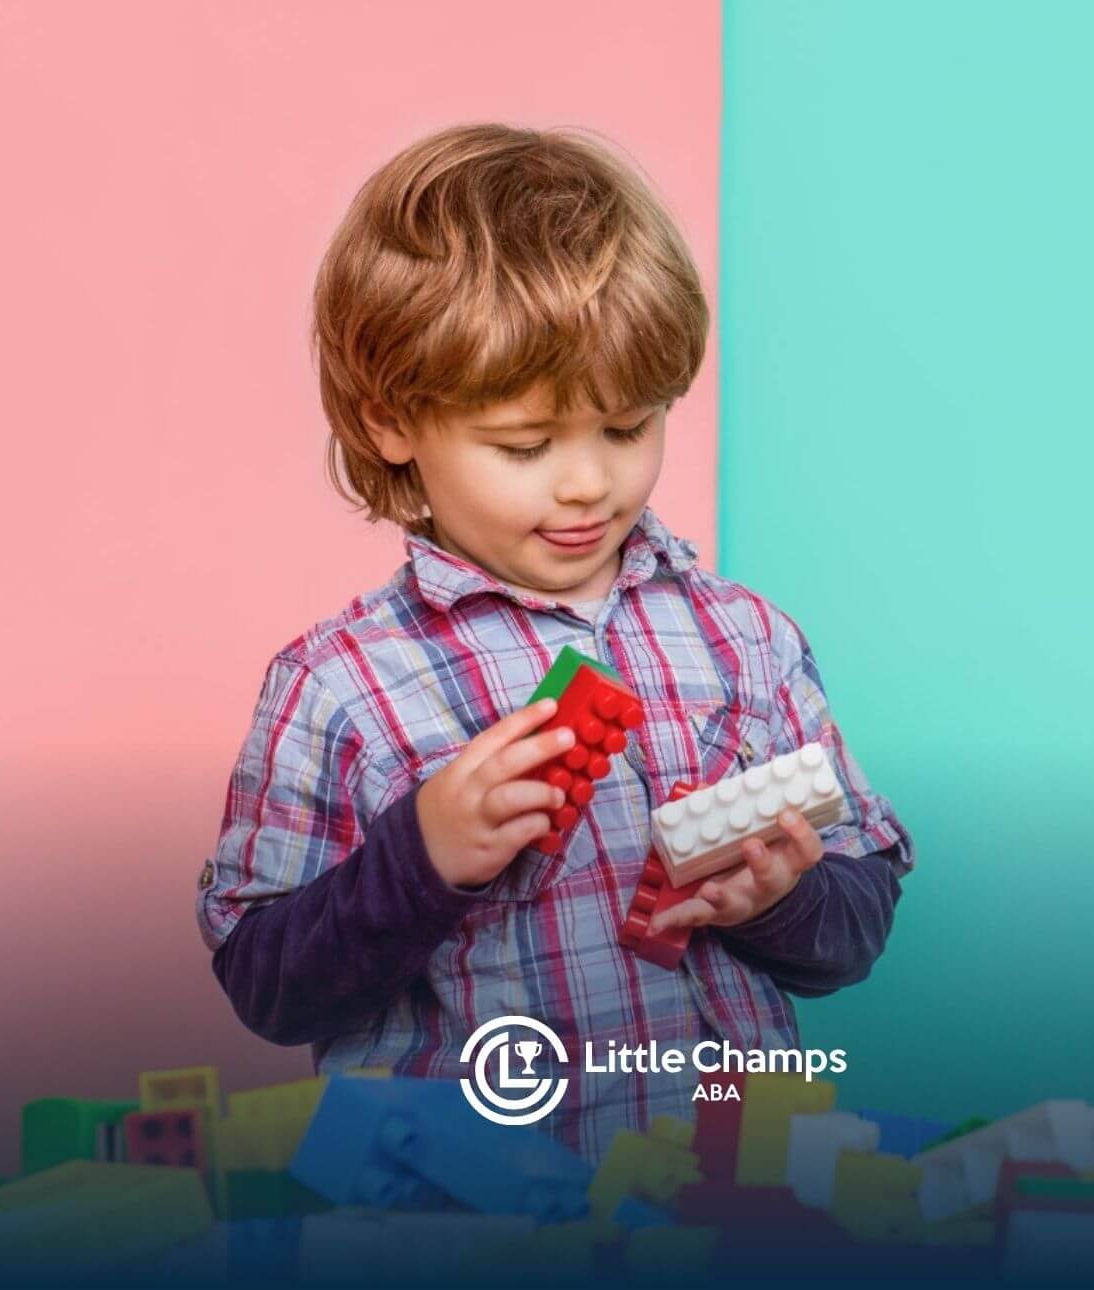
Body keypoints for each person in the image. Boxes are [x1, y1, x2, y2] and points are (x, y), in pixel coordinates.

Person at [197, 122, 915, 1164]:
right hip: (469, 1210)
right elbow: (266, 983)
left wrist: (780, 899)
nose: (587, 483)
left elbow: (856, 922)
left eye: (626, 428)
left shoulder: (746, 640)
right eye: (525, 445)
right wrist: (424, 856)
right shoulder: (341, 685)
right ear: (392, 422)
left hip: (726, 1193)